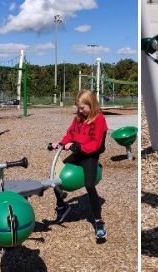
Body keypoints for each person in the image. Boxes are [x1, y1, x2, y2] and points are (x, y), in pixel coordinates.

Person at [49, 90, 108, 239]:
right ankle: (62, 206)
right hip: (78, 153)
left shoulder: (99, 119)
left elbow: (95, 145)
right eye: (78, 108)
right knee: (55, 174)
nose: (80, 111)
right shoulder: (78, 118)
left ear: (91, 104)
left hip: (90, 155)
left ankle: (98, 220)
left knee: (89, 184)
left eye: (83, 108)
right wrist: (60, 144)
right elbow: (70, 134)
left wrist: (78, 147)